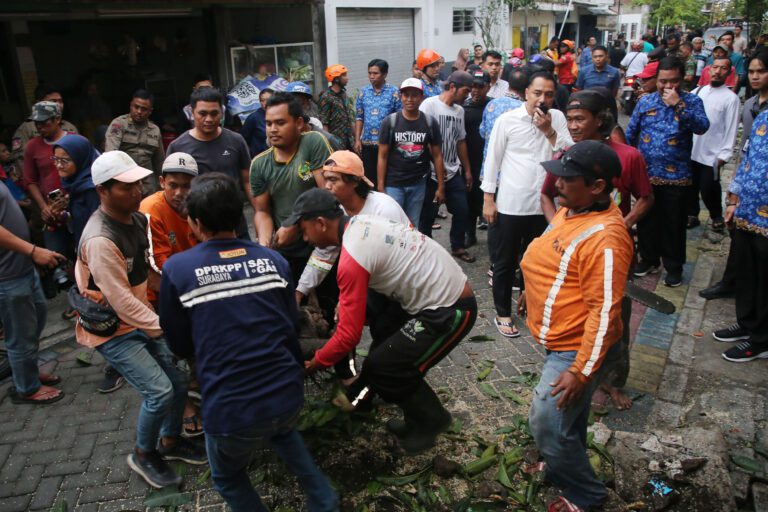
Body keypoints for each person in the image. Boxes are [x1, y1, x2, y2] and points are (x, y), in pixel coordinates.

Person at [158, 174, 338, 512]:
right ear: (239, 217)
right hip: (287, 393)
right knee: (282, 431)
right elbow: (289, 326)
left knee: (227, 477)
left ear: (195, 223)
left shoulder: (178, 269)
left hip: (231, 409)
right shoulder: (275, 262)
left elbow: (180, 343)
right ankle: (325, 500)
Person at [294, 188, 478, 453]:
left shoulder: (352, 256)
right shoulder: (359, 224)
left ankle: (432, 421)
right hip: (432, 299)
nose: (305, 237)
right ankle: (408, 416)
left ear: (321, 223)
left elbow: (349, 336)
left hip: (450, 310)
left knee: (388, 367)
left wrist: (318, 361)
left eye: (304, 229)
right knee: (384, 352)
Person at [74, 151, 205, 488]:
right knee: (159, 391)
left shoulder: (136, 220)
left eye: (139, 183)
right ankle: (144, 454)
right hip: (112, 329)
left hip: (140, 316)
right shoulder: (100, 239)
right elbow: (118, 302)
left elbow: (147, 270)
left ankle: (170, 442)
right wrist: (167, 327)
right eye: (128, 186)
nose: (139, 190)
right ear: (103, 190)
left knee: (177, 384)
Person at [522, 141, 633, 512]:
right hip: (562, 340)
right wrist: (530, 291)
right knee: (568, 419)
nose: (557, 183)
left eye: (568, 179)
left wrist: (580, 371)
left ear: (598, 186)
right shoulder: (575, 209)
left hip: (576, 348)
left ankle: (587, 496)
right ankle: (560, 466)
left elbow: (604, 314)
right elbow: (551, 250)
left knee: (547, 423)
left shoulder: (606, 239)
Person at [539, 91, 653, 411]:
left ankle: (613, 380)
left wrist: (620, 225)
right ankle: (573, 370)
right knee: (575, 312)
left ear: (599, 120)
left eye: (579, 119)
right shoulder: (568, 156)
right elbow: (546, 196)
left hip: (610, 251)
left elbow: (645, 197)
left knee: (613, 316)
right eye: (570, 119)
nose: (572, 126)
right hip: (571, 250)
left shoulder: (628, 156)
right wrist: (560, 233)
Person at [481, 71, 573, 338]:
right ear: (526, 93)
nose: (542, 99)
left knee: (536, 263)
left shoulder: (557, 118)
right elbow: (493, 161)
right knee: (505, 263)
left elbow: (567, 153)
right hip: (510, 203)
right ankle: (503, 312)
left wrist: (549, 131)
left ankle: (531, 306)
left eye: (548, 94)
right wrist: (488, 199)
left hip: (544, 207)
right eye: (537, 93)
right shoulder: (507, 120)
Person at [626, 57, 710, 287]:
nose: (667, 86)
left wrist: (677, 105)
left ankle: (673, 267)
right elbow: (631, 133)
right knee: (647, 221)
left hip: (677, 176)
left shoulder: (691, 101)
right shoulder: (645, 102)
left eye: (673, 81)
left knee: (673, 224)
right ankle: (649, 259)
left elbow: (702, 127)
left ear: (682, 79)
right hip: (647, 175)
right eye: (663, 81)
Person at [139, 152, 201, 436]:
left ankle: (199, 387)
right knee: (171, 352)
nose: (179, 192)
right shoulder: (151, 209)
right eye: (173, 184)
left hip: (191, 285)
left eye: (187, 185)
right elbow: (156, 268)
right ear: (161, 181)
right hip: (163, 294)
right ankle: (185, 407)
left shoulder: (198, 204)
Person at [296, 150, 410, 304]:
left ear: (355, 181)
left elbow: (401, 257)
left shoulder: (384, 209)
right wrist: (300, 291)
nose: (327, 186)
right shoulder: (336, 212)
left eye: (333, 180)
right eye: (326, 180)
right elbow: (323, 256)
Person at [700, 51, 768, 301]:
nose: (755, 76)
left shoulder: (736, 101)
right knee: (740, 240)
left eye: (761, 71)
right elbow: (747, 150)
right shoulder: (750, 104)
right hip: (747, 182)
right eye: (751, 71)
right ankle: (731, 283)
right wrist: (734, 193)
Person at [709, 103, 768, 362]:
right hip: (747, 211)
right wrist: (733, 199)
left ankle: (761, 340)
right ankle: (747, 323)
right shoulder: (763, 118)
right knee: (748, 272)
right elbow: (746, 160)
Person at [250, 92, 332, 280]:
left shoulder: (313, 142)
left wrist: (295, 224)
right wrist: (265, 245)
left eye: (280, 123)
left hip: (321, 244)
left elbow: (326, 194)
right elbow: (262, 211)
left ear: (299, 123)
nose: (273, 129)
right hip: (285, 249)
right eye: (269, 123)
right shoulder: (259, 164)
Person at [1, 179, 66, 404]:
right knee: (20, 335)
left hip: (21, 267)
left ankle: (27, 371)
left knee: (36, 320)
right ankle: (26, 388)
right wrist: (32, 250)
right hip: (7, 276)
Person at [167, 87, 252, 238]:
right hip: (198, 228)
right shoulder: (178, 146)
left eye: (214, 113)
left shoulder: (236, 141)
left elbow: (248, 181)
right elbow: (171, 188)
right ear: (192, 113)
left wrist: (261, 212)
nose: (209, 119)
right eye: (202, 113)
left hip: (235, 226)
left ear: (222, 112)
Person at [418, 71, 475, 263]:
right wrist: (436, 164)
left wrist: (466, 170)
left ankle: (457, 246)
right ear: (453, 87)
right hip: (432, 173)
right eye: (465, 90)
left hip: (453, 171)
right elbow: (424, 139)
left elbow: (461, 141)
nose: (467, 95)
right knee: (428, 215)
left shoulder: (459, 111)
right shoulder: (430, 105)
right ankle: (427, 250)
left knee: (462, 210)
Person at [377, 78, 444, 226]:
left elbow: (438, 155)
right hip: (393, 184)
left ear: (421, 97)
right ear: (401, 97)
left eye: (414, 95)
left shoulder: (429, 122)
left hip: (418, 183)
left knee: (412, 224)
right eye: (406, 95)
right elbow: (382, 156)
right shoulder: (390, 122)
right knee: (393, 225)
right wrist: (381, 186)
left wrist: (441, 186)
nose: (409, 99)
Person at [22, 101, 73, 292]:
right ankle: (73, 302)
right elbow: (30, 181)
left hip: (75, 208)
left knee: (82, 253)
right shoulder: (32, 147)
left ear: (58, 119)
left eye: (44, 122)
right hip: (50, 214)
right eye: (37, 124)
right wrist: (44, 207)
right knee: (56, 258)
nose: (40, 127)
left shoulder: (74, 141)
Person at [688, 57, 740, 232]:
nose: (718, 71)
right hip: (692, 150)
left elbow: (731, 127)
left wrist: (724, 155)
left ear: (728, 72)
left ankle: (716, 214)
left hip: (713, 153)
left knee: (709, 187)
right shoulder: (697, 91)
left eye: (722, 68)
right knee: (691, 186)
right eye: (715, 67)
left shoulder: (731, 98)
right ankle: (692, 214)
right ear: (709, 69)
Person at [105, 89, 165, 195]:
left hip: (148, 186)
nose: (139, 111)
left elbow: (159, 162)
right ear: (130, 106)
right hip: (125, 183)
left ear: (150, 111)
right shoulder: (119, 124)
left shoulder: (155, 130)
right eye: (136, 107)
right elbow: (111, 155)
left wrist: (161, 189)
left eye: (144, 109)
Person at [354, 59, 402, 187]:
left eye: (375, 73)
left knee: (387, 178)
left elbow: (400, 117)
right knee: (369, 179)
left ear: (385, 74)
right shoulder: (363, 92)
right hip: (368, 144)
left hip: (388, 144)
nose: (371, 76)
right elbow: (359, 117)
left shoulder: (394, 92)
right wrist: (357, 139)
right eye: (369, 73)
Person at [11, 87, 78, 171]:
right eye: (53, 101)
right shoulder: (26, 129)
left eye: (60, 101)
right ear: (38, 103)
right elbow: (21, 159)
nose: (58, 104)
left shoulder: (70, 127)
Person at [52, 134, 101, 245]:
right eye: (56, 159)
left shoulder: (92, 190)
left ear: (80, 158)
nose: (59, 165)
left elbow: (96, 227)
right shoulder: (73, 183)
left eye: (64, 160)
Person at [463, 69, 492, 247]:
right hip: (470, 163)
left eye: (480, 87)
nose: (475, 90)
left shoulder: (494, 107)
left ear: (488, 87)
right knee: (469, 202)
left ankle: (494, 239)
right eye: (472, 86)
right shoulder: (464, 108)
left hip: (490, 163)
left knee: (490, 201)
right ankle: (470, 234)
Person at [318, 64, 354, 150]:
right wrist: (328, 145)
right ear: (337, 79)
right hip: (336, 143)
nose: (347, 78)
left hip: (349, 141)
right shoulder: (326, 97)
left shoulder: (344, 94)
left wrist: (356, 138)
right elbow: (324, 122)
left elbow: (349, 117)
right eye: (344, 75)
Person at [240, 88, 273, 157]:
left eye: (268, 99)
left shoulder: (280, 115)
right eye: (262, 100)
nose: (265, 103)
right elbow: (243, 140)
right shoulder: (253, 118)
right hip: (261, 159)